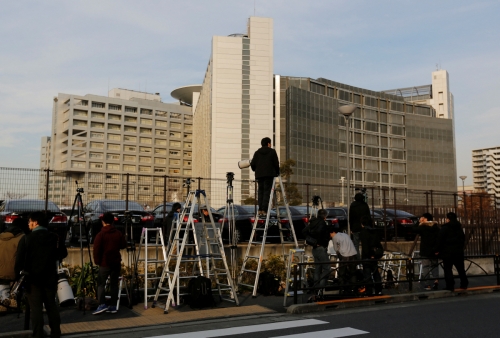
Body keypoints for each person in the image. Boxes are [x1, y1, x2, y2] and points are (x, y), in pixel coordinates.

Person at [15, 211, 67, 338]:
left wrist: (18, 278)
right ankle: (56, 332)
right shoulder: (54, 237)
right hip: (50, 278)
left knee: (36, 309)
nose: (28, 224)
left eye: (29, 221)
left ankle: (38, 334)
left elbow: (19, 262)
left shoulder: (27, 238)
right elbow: (63, 253)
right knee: (51, 307)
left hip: (32, 279)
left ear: (35, 222)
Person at [93, 212, 127, 315]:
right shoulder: (118, 233)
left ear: (103, 221)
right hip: (116, 262)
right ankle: (113, 305)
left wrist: (97, 261)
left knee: (101, 284)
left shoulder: (100, 234)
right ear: (112, 221)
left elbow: (96, 250)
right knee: (114, 284)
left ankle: (102, 304)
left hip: (104, 262)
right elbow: (123, 245)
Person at [434, 212, 468, 292]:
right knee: (461, 269)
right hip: (458, 252)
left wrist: (436, 250)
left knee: (448, 269)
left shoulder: (445, 228)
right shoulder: (459, 228)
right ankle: (464, 284)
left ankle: (450, 285)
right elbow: (463, 239)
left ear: (448, 219)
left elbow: (439, 240)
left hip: (447, 252)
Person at [0, 218, 28, 311]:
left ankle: (4, 299)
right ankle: (14, 298)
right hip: (14, 271)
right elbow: (22, 257)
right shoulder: (22, 238)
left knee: (3, 280)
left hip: (0, 271)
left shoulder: (1, 236)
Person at [302, 209, 331, 298]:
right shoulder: (322, 224)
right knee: (327, 268)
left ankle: (316, 288)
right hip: (321, 248)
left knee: (317, 268)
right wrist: (320, 241)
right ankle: (321, 287)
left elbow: (303, 232)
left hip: (314, 248)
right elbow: (323, 234)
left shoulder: (313, 222)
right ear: (324, 216)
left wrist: (312, 242)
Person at [250, 137, 280, 217]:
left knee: (260, 192)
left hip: (259, 175)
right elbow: (276, 164)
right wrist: (277, 173)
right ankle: (264, 209)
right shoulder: (272, 152)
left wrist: (256, 169)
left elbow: (252, 164)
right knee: (267, 192)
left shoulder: (257, 153)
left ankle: (260, 209)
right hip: (269, 175)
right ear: (268, 143)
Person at [414, 212, 440, 290]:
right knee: (435, 266)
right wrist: (437, 249)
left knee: (425, 267)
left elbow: (414, 229)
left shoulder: (423, 227)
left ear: (426, 219)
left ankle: (427, 284)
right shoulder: (436, 227)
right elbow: (439, 239)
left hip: (425, 250)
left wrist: (418, 222)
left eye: (423, 218)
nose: (422, 219)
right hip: (434, 250)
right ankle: (436, 281)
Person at [330, 225, 358, 294]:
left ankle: (342, 288)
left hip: (344, 255)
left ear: (332, 232)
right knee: (353, 272)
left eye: (330, 234)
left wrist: (338, 252)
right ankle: (353, 288)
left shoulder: (335, 237)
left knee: (342, 272)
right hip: (353, 253)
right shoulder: (344, 234)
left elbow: (336, 249)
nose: (330, 235)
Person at [359, 216, 383, 296]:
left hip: (367, 256)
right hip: (374, 256)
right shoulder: (374, 231)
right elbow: (377, 244)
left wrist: (369, 254)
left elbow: (365, 246)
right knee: (376, 273)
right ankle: (378, 290)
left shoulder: (363, 232)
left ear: (362, 224)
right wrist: (374, 254)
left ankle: (369, 291)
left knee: (367, 275)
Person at [348, 193, 371, 259]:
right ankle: (364, 258)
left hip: (355, 227)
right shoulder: (365, 205)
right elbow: (368, 216)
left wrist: (351, 228)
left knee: (356, 244)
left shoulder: (353, 205)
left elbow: (351, 218)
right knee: (365, 244)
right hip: (364, 227)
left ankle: (357, 259)